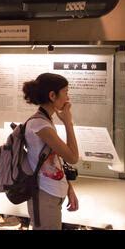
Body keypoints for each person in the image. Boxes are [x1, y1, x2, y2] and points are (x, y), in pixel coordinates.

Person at [22, 72, 79, 230]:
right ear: (53, 95)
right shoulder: (41, 125)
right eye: (65, 92)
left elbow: (54, 161)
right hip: (44, 195)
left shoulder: (45, 121)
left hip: (50, 193)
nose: (67, 98)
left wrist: (68, 188)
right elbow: (73, 157)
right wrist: (68, 122)